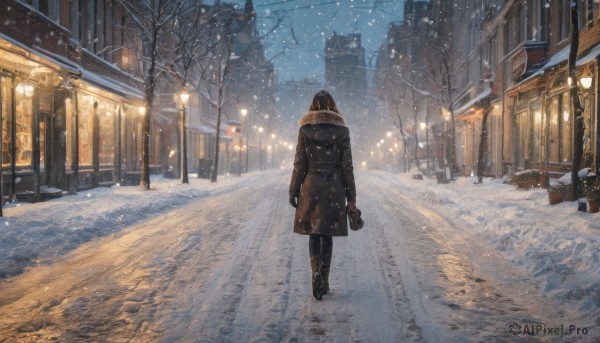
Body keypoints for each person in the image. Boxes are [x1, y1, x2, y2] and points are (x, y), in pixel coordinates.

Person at [289, 90, 358, 300]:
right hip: (334, 189)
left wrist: (294, 190)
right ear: (332, 105)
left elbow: (300, 163)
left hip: (311, 187)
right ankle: (324, 279)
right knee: (326, 235)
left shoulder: (305, 130)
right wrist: (351, 197)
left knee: (314, 234)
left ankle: (315, 272)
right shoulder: (342, 131)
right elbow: (347, 166)